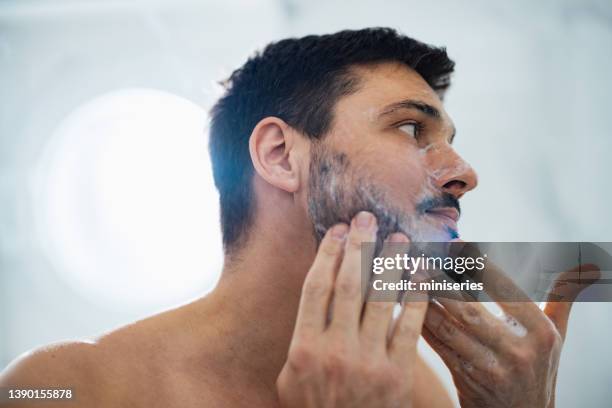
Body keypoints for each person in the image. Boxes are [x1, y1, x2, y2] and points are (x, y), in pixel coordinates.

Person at [0, 27, 593, 408]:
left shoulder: (414, 388)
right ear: (281, 156)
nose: (466, 173)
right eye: (412, 128)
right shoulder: (58, 387)